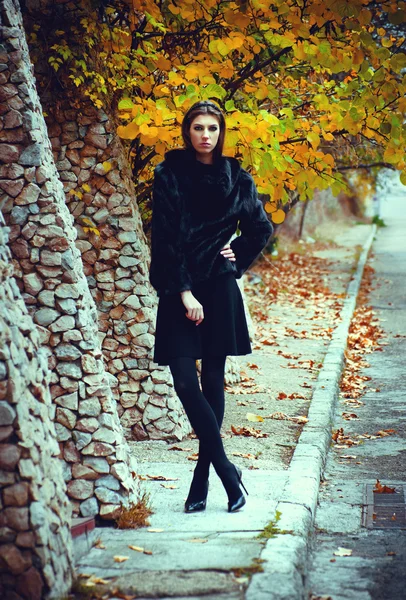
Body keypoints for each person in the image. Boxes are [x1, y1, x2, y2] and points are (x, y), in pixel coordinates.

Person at [149, 100, 273, 513]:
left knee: (213, 380)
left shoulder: (236, 177)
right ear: (187, 132)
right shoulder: (169, 175)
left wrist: (235, 253)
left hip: (219, 288)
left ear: (221, 133)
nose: (205, 135)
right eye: (198, 127)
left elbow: (260, 226)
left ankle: (201, 476)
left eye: (213, 129)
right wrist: (184, 292)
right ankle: (224, 469)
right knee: (185, 380)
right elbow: (164, 240)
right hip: (179, 287)